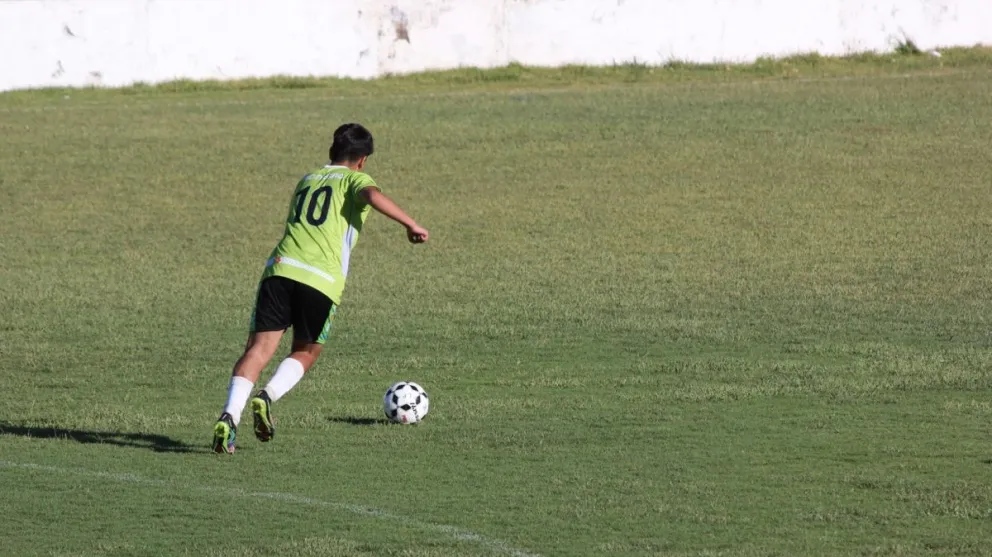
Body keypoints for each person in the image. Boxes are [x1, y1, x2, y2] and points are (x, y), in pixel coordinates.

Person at [212, 123, 429, 454]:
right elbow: (371, 195)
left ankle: (230, 416)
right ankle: (267, 396)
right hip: (320, 279)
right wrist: (410, 223)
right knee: (306, 350)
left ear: (332, 151)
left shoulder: (307, 179)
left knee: (257, 350)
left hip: (280, 269)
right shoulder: (356, 179)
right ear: (362, 160)